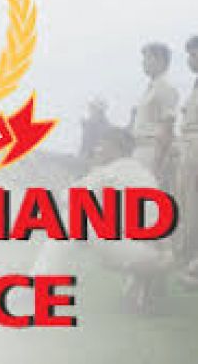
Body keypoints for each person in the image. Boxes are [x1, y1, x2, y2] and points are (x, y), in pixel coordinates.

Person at [30, 127, 173, 314]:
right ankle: (142, 287)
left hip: (136, 252)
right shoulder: (143, 172)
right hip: (162, 254)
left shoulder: (108, 172)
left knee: (71, 218)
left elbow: (67, 199)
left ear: (113, 147)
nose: (97, 150)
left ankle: (37, 285)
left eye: (101, 145)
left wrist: (46, 182)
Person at [131, 43, 179, 178]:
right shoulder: (150, 89)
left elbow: (167, 126)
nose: (143, 63)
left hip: (151, 150)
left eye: (148, 58)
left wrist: (158, 163)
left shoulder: (165, 88)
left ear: (161, 61)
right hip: (139, 149)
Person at [176, 36, 198, 286]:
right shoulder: (194, 85)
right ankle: (190, 260)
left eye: (193, 54)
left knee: (194, 206)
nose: (190, 60)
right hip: (187, 145)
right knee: (188, 206)